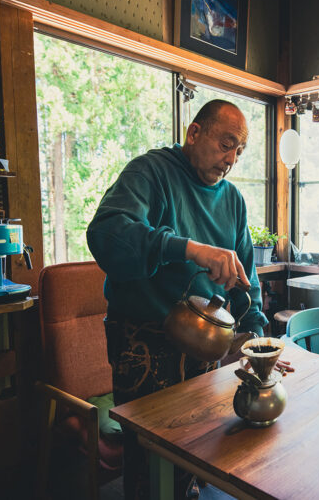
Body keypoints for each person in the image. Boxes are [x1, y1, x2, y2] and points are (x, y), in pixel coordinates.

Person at [87, 99, 292, 499]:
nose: (230, 159)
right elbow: (107, 233)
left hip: (204, 345)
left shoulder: (232, 199)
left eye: (239, 151)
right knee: (151, 464)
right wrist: (190, 249)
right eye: (225, 144)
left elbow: (245, 280)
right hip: (144, 341)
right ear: (194, 134)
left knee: (196, 453)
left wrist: (255, 344)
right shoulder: (152, 173)